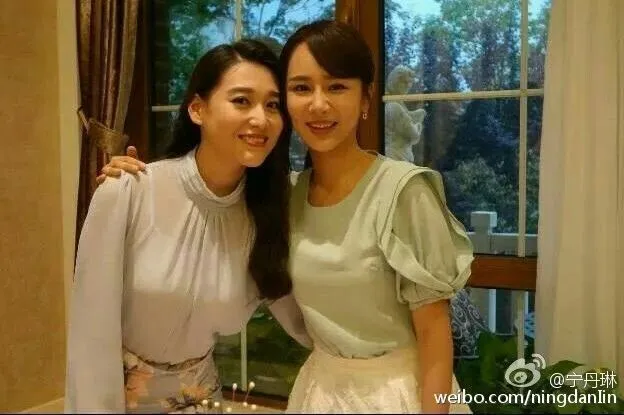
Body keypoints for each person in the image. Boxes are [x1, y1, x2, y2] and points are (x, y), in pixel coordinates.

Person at [99, 20, 474, 414]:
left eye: (337, 87)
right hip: (320, 392)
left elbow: (435, 336)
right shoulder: (283, 197)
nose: (318, 104)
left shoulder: (404, 191)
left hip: (400, 394)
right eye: (301, 88)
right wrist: (138, 180)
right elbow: (209, 201)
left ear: (366, 99)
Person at [66, 39, 311, 414]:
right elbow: (91, 334)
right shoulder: (129, 191)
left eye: (272, 105)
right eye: (241, 100)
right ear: (198, 109)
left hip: (204, 400)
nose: (261, 119)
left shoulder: (269, 213)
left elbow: (306, 317)